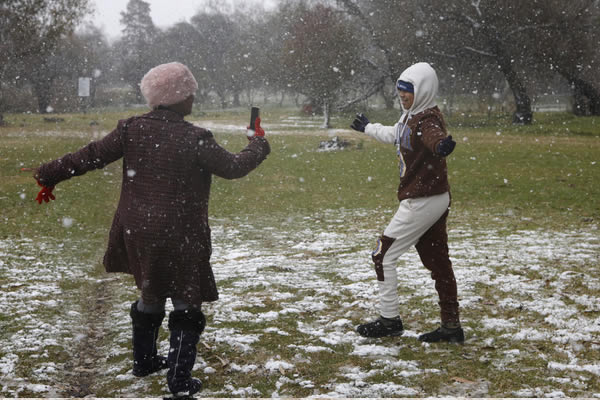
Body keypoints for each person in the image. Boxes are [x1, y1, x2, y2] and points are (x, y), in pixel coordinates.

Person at [31, 62, 271, 396]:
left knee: (151, 288)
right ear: (176, 98)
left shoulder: (130, 129)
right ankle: (179, 379)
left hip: (137, 229)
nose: (193, 98)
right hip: (180, 232)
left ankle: (144, 361)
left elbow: (91, 156)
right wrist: (258, 144)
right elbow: (232, 167)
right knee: (187, 300)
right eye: (190, 93)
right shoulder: (194, 138)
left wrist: (48, 173)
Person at [350, 62, 462, 343]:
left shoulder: (427, 120)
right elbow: (395, 135)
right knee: (438, 262)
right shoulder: (411, 116)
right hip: (434, 196)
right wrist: (368, 127)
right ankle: (451, 326)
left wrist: (442, 146)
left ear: (422, 90)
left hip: (422, 200)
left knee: (382, 254)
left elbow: (434, 139)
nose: (402, 96)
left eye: (408, 91)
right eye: (400, 90)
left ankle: (389, 320)